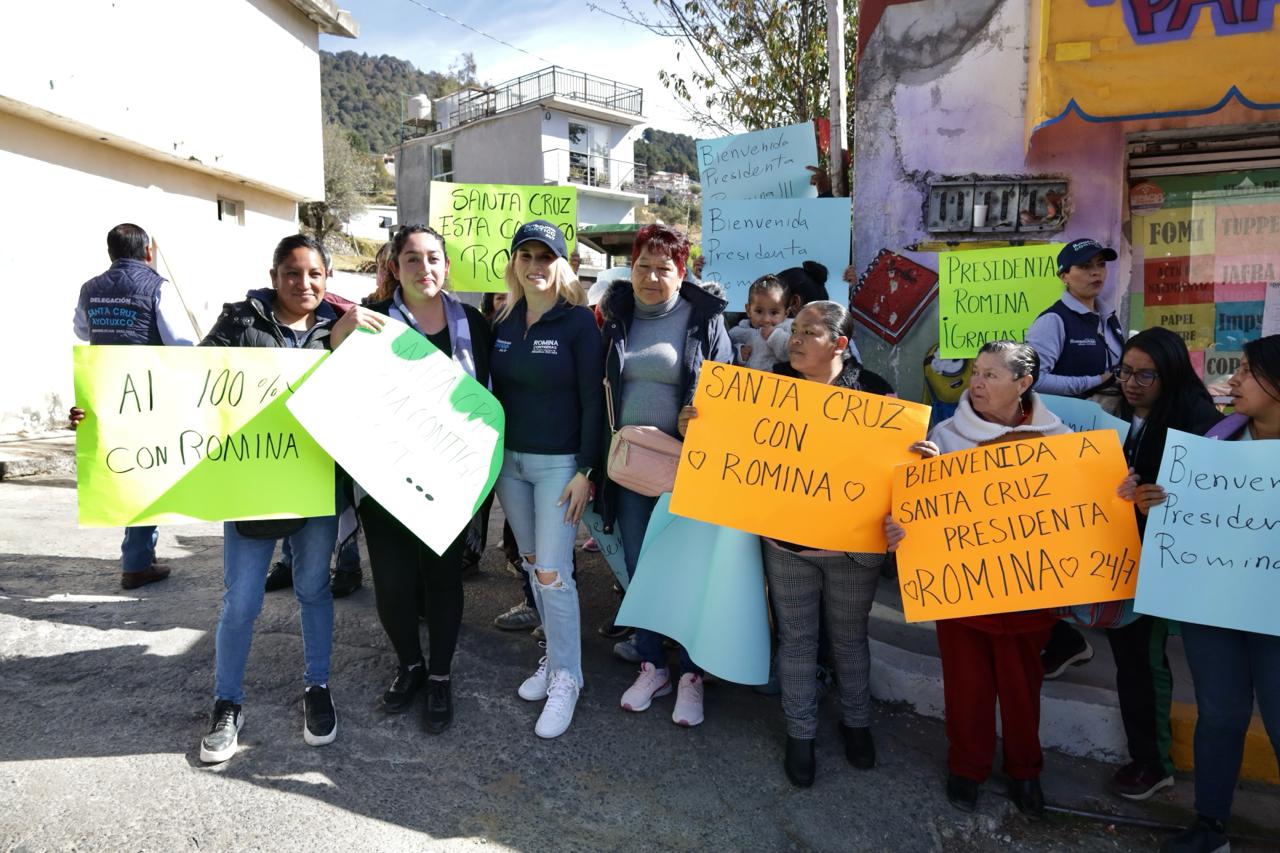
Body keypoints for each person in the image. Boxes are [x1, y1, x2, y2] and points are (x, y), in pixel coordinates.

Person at [680, 301, 934, 786]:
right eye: (794, 330)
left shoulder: (876, 391)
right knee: (796, 642)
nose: (794, 339)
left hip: (851, 551)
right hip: (786, 547)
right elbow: (730, 442)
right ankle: (801, 735)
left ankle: (857, 725)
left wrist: (922, 461)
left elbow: (897, 470)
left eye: (809, 332)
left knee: (849, 642)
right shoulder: (769, 387)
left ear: (839, 344)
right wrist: (695, 425)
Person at [885, 341, 1071, 818]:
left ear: (1023, 384)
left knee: (1022, 686)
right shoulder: (943, 439)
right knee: (966, 684)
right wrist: (909, 503)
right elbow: (917, 515)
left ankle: (1025, 771)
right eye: (977, 373)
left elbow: (1078, 509)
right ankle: (966, 767)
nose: (977, 383)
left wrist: (1120, 491)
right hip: (962, 590)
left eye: (991, 375)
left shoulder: (1061, 439)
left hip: (1030, 589)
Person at [331, 224, 493, 735]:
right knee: (395, 582)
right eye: (411, 260)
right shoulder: (373, 322)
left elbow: (490, 402)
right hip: (384, 478)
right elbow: (332, 380)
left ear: (447, 266)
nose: (424, 269)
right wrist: (340, 335)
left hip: (448, 479)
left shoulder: (473, 324)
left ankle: (441, 673)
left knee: (443, 579)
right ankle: (409, 665)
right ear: (394, 268)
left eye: (433, 259)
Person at [196, 234, 344, 763]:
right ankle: (227, 703)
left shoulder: (342, 328)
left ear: (328, 279)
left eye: (315, 275)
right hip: (252, 486)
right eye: (291, 273)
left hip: (317, 486)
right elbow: (182, 384)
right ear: (274, 273)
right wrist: (103, 414)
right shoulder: (242, 321)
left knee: (313, 589)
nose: (303, 283)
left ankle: (318, 687)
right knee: (242, 601)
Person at [595, 223, 733, 727]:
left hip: (687, 467)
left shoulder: (703, 321)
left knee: (689, 570)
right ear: (630, 269)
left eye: (665, 268)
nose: (653, 277)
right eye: (643, 266)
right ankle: (653, 664)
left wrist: (699, 413)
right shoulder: (616, 318)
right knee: (640, 567)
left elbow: (727, 392)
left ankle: (692, 675)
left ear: (683, 272)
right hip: (631, 466)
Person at [1157, 335, 1280, 853]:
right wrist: (1154, 500)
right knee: (1220, 714)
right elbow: (1188, 511)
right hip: (1212, 603)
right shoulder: (1218, 434)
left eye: (1249, 371)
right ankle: (1210, 826)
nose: (1234, 380)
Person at [491, 220, 603, 738]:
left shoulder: (579, 323)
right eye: (526, 256)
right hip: (509, 464)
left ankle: (568, 677)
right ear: (513, 263)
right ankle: (555, 657)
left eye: (545, 257)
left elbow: (593, 403)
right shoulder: (505, 319)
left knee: (555, 573)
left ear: (563, 264)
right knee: (533, 564)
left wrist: (586, 470)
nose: (535, 265)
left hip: (559, 467)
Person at [1105, 328, 1222, 802]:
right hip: (1123, 554)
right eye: (1126, 371)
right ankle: (1147, 757)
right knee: (1130, 656)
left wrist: (1164, 500)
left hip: (1162, 563)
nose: (1132, 382)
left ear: (1169, 372)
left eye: (1145, 374)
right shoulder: (1118, 410)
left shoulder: (1197, 418)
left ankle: (1153, 762)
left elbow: (1218, 494)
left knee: (1144, 660)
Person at [71, 223, 197, 590]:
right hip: (146, 391)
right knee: (146, 467)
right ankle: (137, 561)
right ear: (147, 252)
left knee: (125, 466)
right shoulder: (158, 287)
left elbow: (82, 331)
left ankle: (140, 552)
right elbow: (180, 343)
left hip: (104, 387)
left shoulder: (89, 288)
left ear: (111, 253)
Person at [1025, 238, 1126, 681]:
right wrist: (1097, 378)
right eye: (1084, 267)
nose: (1095, 273)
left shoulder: (1110, 318)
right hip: (1067, 444)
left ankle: (1084, 621)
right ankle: (1062, 637)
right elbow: (1034, 378)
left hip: (1106, 444)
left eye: (1100, 265)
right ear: (1064, 275)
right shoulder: (1052, 321)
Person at [728, 275, 792, 371]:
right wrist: (738, 352)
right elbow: (724, 352)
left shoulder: (790, 328)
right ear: (748, 310)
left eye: (774, 313)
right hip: (744, 383)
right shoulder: (739, 331)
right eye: (759, 311)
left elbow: (794, 355)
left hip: (776, 383)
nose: (766, 319)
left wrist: (775, 336)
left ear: (786, 313)